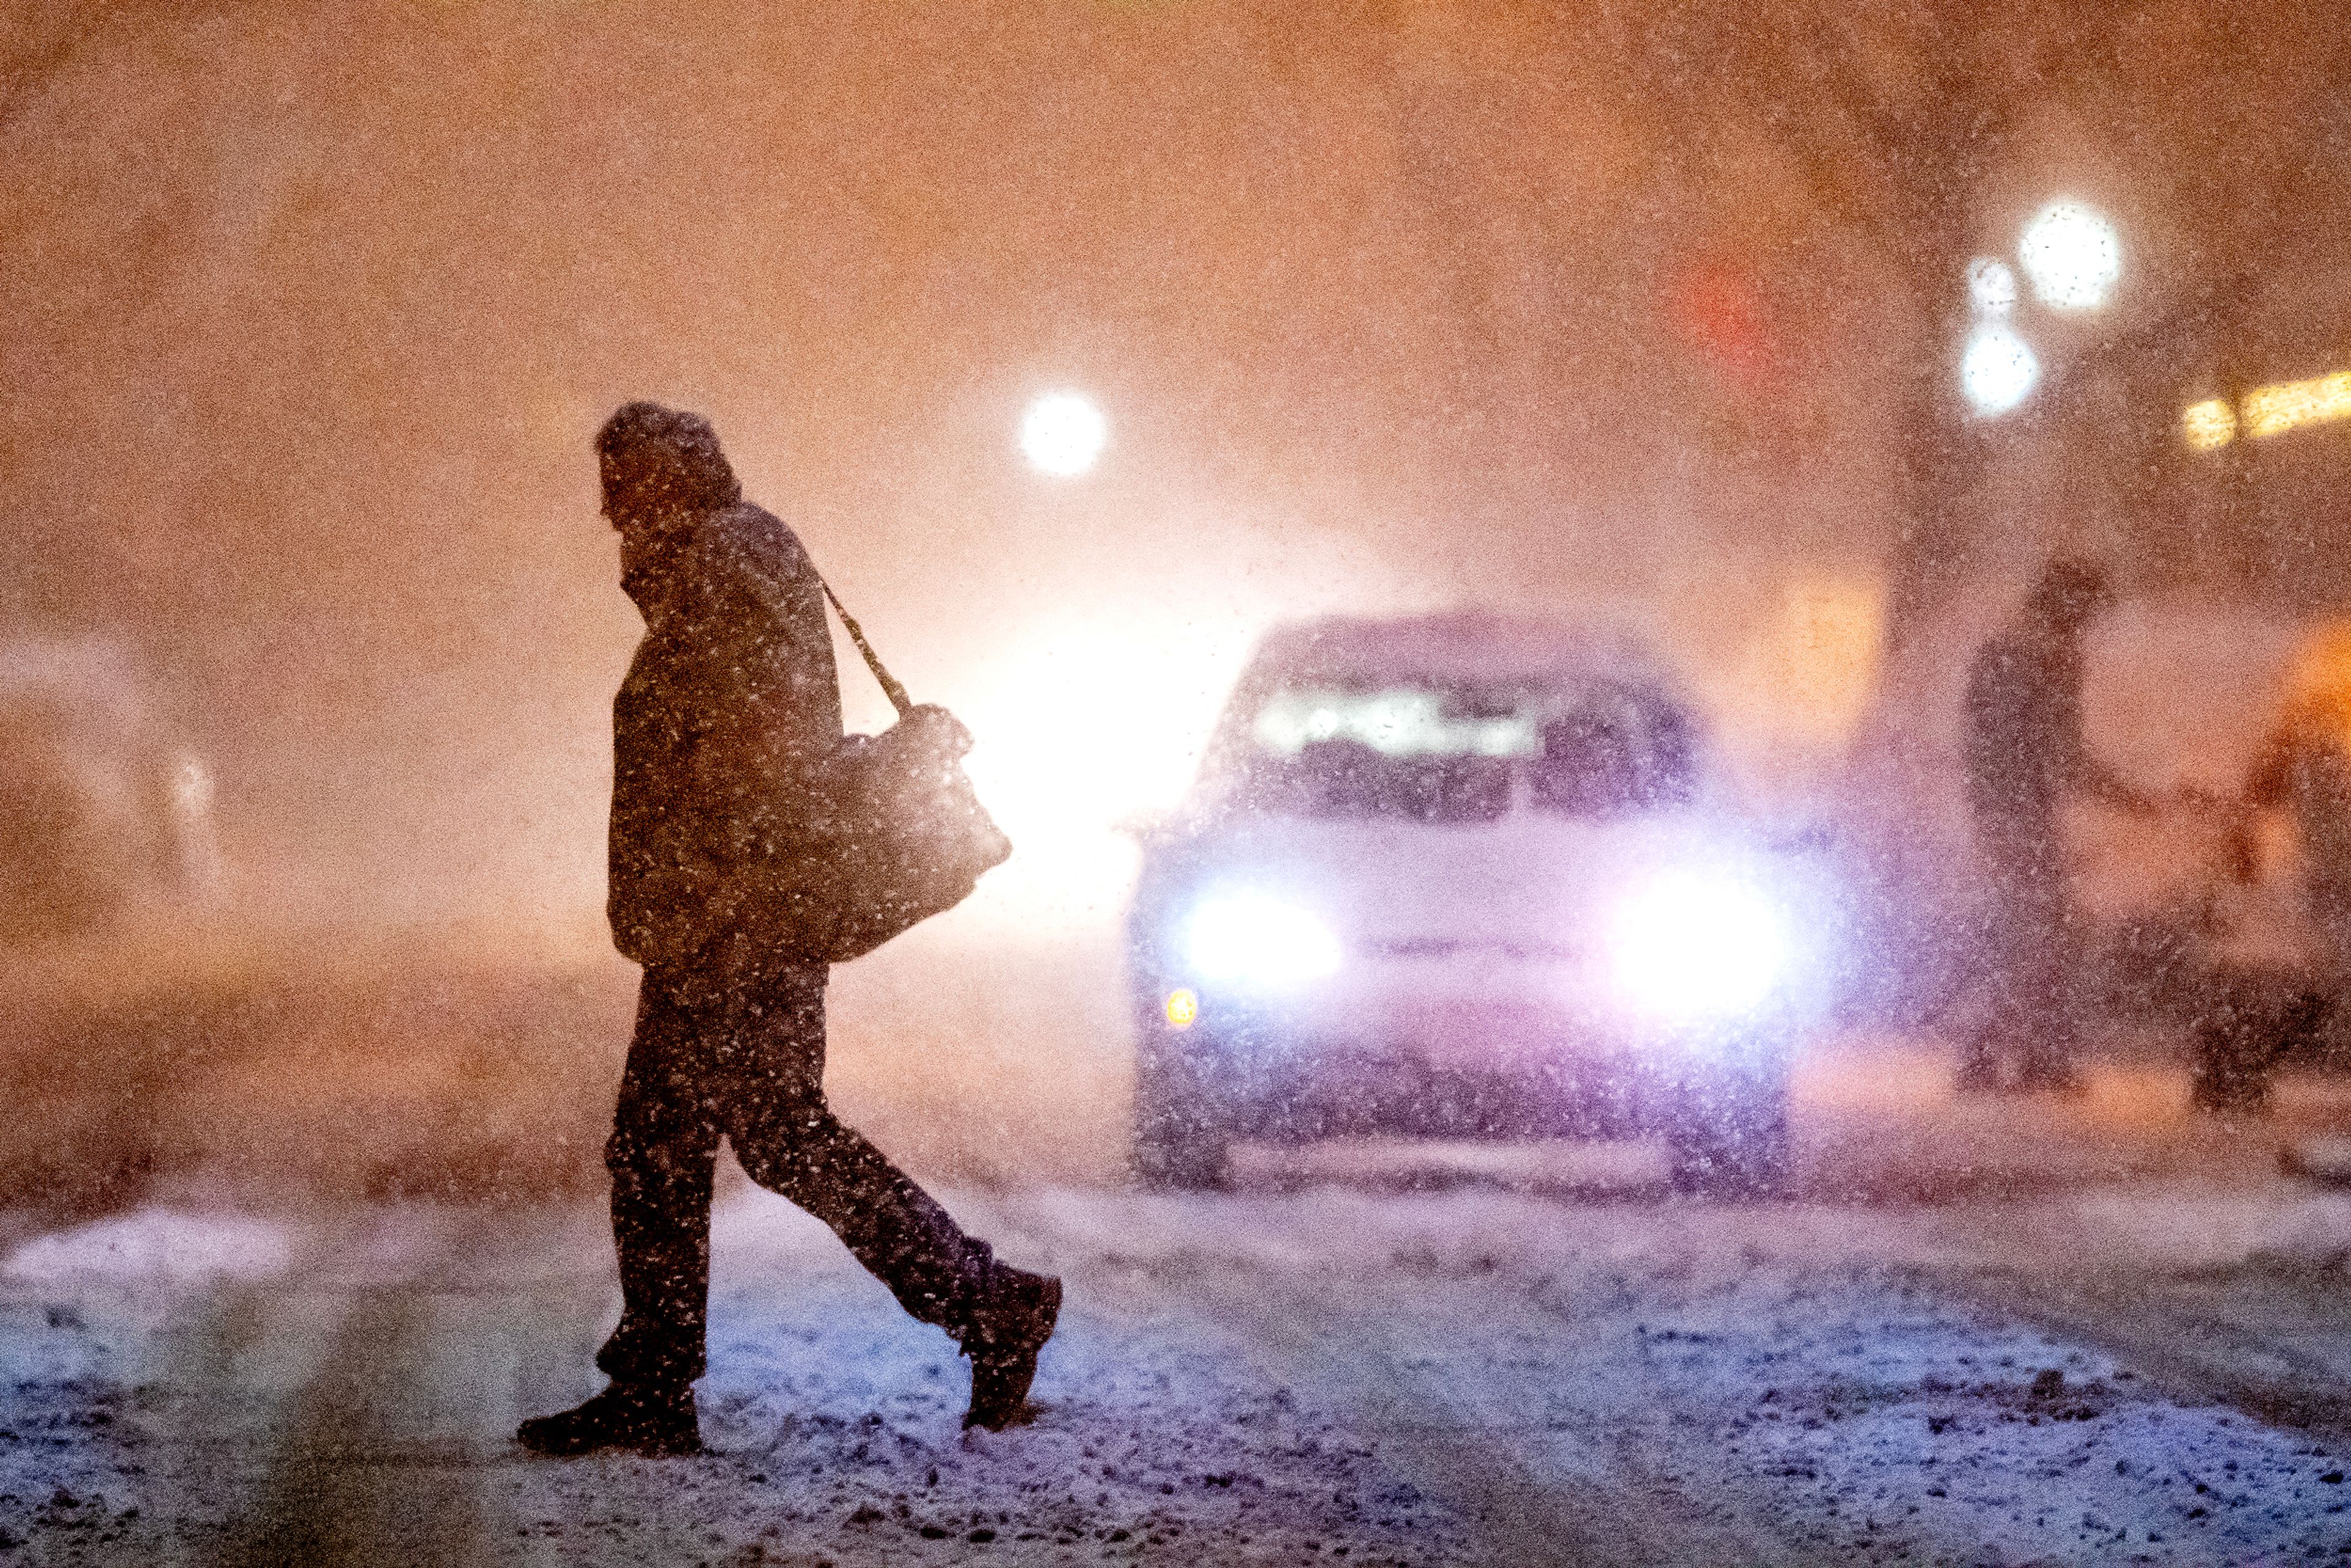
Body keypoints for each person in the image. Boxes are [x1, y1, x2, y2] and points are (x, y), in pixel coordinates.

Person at [519, 403, 1060, 1457]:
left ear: (667, 484)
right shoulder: (734, 557)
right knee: (703, 1138)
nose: (608, 514)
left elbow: (751, 758)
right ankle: (668, 1378)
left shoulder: (728, 568)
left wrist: (718, 886)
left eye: (621, 489)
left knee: (745, 1135)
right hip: (724, 908)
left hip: (735, 915)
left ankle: (983, 1304)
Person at [1957, 557, 2150, 1093]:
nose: (2091, 623)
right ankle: (2029, 1057)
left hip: (1997, 811)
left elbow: (1980, 743)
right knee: (2046, 938)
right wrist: (2132, 799)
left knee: (2024, 935)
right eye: (2090, 610)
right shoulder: (2053, 656)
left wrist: (1991, 811)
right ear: (2076, 606)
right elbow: (2065, 755)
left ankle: (1999, 1054)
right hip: (2028, 815)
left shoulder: (1998, 648)